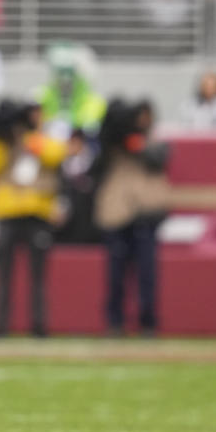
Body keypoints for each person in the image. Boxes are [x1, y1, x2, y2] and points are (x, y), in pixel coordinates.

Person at [0, 100, 66, 337]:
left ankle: (39, 325)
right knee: (4, 275)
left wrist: (28, 138)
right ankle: (0, 325)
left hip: (37, 213)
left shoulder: (44, 139)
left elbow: (55, 155)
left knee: (38, 276)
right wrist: (4, 138)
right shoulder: (4, 141)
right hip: (8, 212)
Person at [92, 99, 170, 337]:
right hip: (116, 213)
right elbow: (95, 167)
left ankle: (148, 322)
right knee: (115, 273)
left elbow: (158, 159)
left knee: (147, 273)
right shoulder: (112, 144)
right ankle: (114, 322)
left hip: (145, 214)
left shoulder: (154, 141)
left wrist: (138, 144)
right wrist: (113, 137)